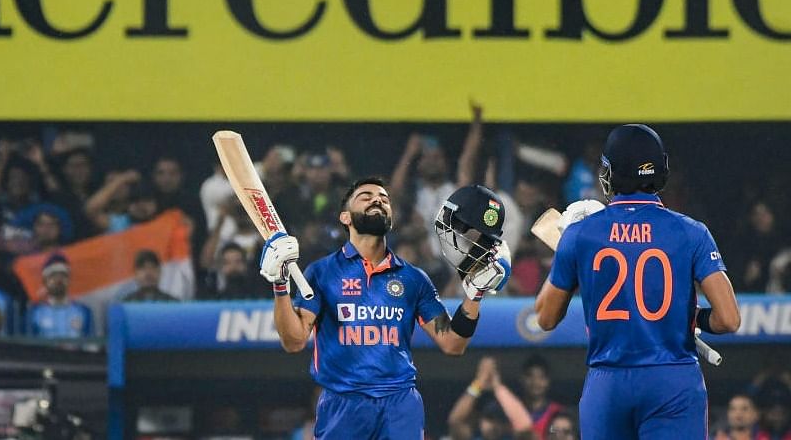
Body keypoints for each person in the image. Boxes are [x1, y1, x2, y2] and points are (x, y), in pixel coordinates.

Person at [261, 177, 512, 439]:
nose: (377, 200)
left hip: (400, 403)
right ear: (345, 217)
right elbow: (293, 341)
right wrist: (280, 284)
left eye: (383, 198)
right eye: (366, 197)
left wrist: (475, 295)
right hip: (342, 404)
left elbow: (453, 344)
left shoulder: (414, 278)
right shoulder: (321, 273)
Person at [535, 124, 742, 439]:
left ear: (612, 173)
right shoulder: (691, 232)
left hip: (608, 384)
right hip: (673, 379)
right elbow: (728, 319)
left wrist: (575, 259)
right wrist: (693, 318)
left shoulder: (581, 234)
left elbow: (546, 318)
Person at [26, 253, 93, 338]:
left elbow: (92, 346)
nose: (58, 280)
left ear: (69, 279)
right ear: (45, 280)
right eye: (53, 276)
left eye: (63, 275)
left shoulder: (84, 311)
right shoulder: (34, 313)